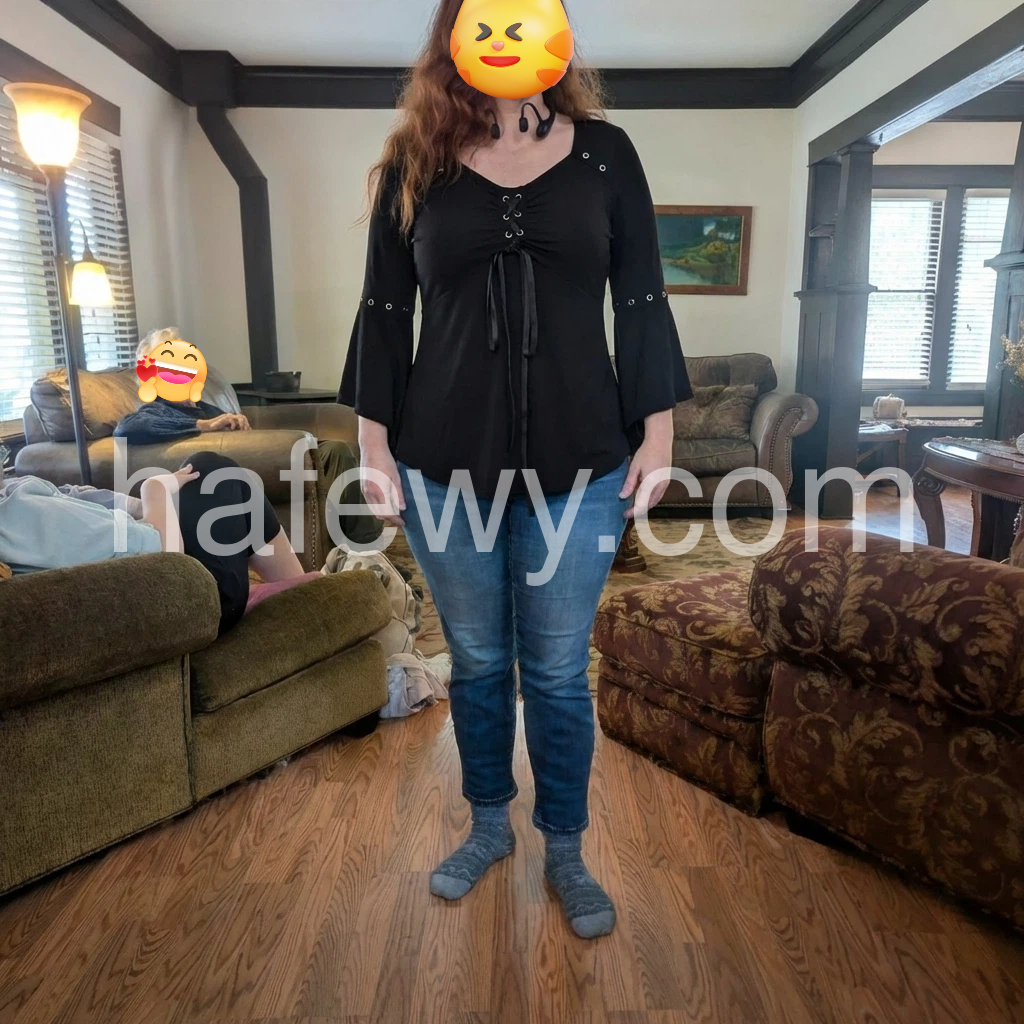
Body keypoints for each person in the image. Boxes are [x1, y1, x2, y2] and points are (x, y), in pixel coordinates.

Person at [338, 0, 691, 939]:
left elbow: (642, 295)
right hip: (441, 463)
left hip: (583, 463)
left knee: (560, 670)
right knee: (481, 661)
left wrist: (658, 435)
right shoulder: (414, 161)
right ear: (454, 38)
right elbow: (383, 309)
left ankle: (565, 846)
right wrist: (373, 447)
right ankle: (489, 825)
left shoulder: (607, 154)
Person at [116, 328, 381, 546]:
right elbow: (128, 427)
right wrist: (204, 426)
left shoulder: (204, 406)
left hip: (261, 461)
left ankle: (361, 546)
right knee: (333, 453)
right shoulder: (157, 409)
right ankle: (365, 548)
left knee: (335, 451)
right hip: (236, 476)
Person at [0, 452, 311, 635]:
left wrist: (156, 504)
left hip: (161, 556)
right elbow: (169, 570)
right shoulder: (22, 520)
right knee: (214, 470)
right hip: (190, 597)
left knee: (208, 471)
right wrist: (155, 493)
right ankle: (307, 594)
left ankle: (300, 590)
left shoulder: (17, 497)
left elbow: (72, 495)